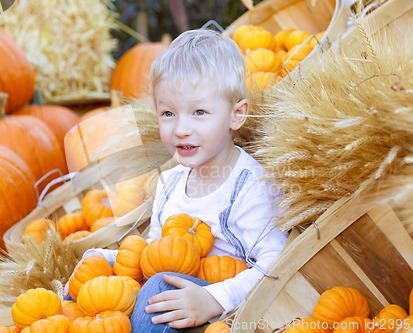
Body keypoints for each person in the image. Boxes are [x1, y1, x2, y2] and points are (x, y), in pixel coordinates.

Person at [66, 28, 288, 332]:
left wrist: (214, 298)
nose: (181, 129)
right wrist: (106, 260)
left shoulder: (250, 186)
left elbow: (276, 264)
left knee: (160, 289)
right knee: (93, 294)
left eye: (199, 112)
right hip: (176, 311)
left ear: (237, 115)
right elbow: (155, 255)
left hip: (229, 313)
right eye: (168, 114)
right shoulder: (169, 183)